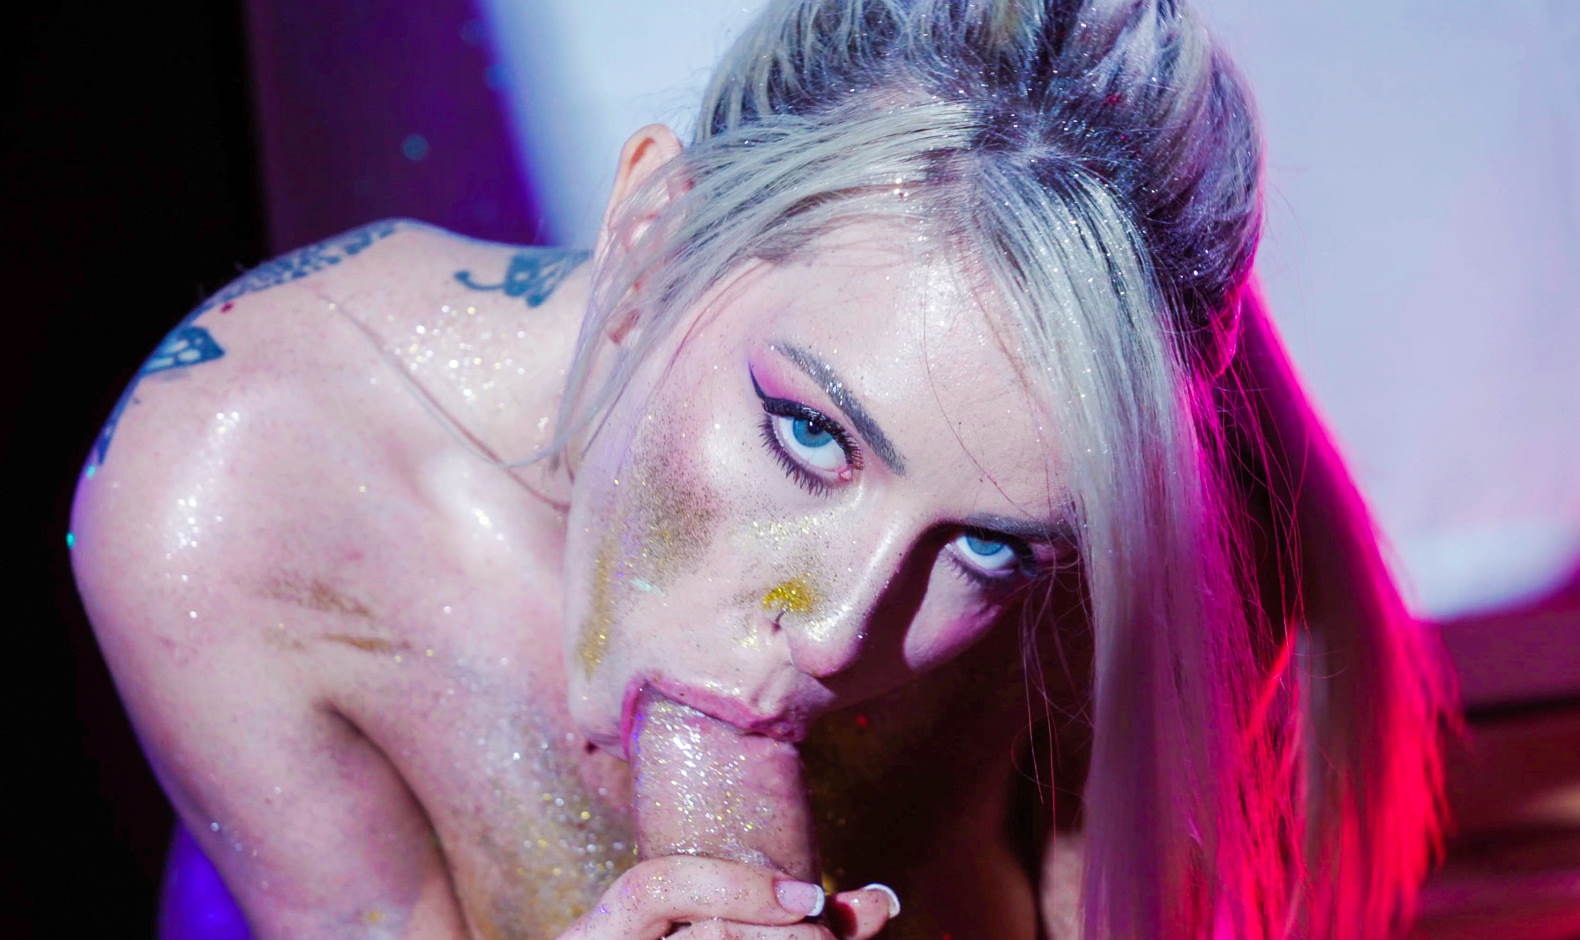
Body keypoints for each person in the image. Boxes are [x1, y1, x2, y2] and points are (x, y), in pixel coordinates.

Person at [70, 0, 1455, 937]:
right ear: (652, 231)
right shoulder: (244, 487)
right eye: (809, 434)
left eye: (990, 548)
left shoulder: (1130, 507)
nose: (842, 632)